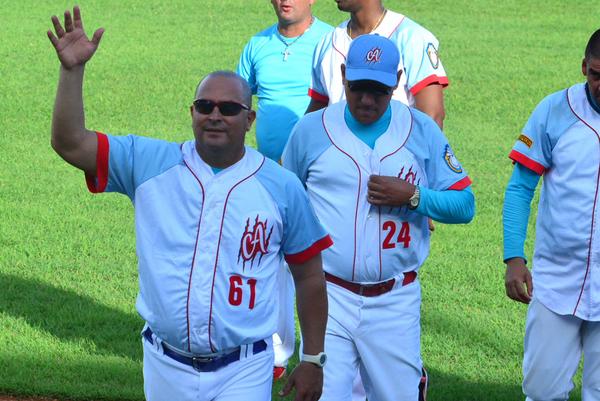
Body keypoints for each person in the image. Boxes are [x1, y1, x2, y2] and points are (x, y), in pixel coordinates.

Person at [47, 6, 333, 401]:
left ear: (249, 119)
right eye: (205, 106)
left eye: (229, 109)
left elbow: (310, 276)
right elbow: (70, 142)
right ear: (192, 113)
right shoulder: (147, 163)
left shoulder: (281, 187)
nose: (215, 115)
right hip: (165, 365)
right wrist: (71, 71)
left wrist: (313, 359)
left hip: (245, 368)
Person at [283, 34, 474, 401]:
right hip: (329, 295)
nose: (367, 100)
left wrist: (415, 197)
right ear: (343, 75)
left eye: (379, 90)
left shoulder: (421, 131)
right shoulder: (310, 131)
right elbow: (285, 206)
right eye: (358, 88)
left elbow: (465, 204)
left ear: (398, 80)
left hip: (395, 301)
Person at [503, 29, 600, 401]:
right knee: (542, 392)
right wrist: (514, 258)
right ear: (583, 68)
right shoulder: (555, 110)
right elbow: (519, 188)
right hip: (556, 280)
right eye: (596, 74)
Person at [237, 0, 332, 379]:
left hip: (320, 174)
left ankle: (326, 347)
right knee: (271, 261)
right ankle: (275, 356)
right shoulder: (257, 45)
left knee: (321, 261)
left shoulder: (329, 41)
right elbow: (237, 102)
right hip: (269, 176)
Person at [306, 0, 448, 129]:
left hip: (396, 153)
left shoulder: (411, 37)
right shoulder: (327, 43)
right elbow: (316, 113)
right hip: (340, 153)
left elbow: (432, 116)